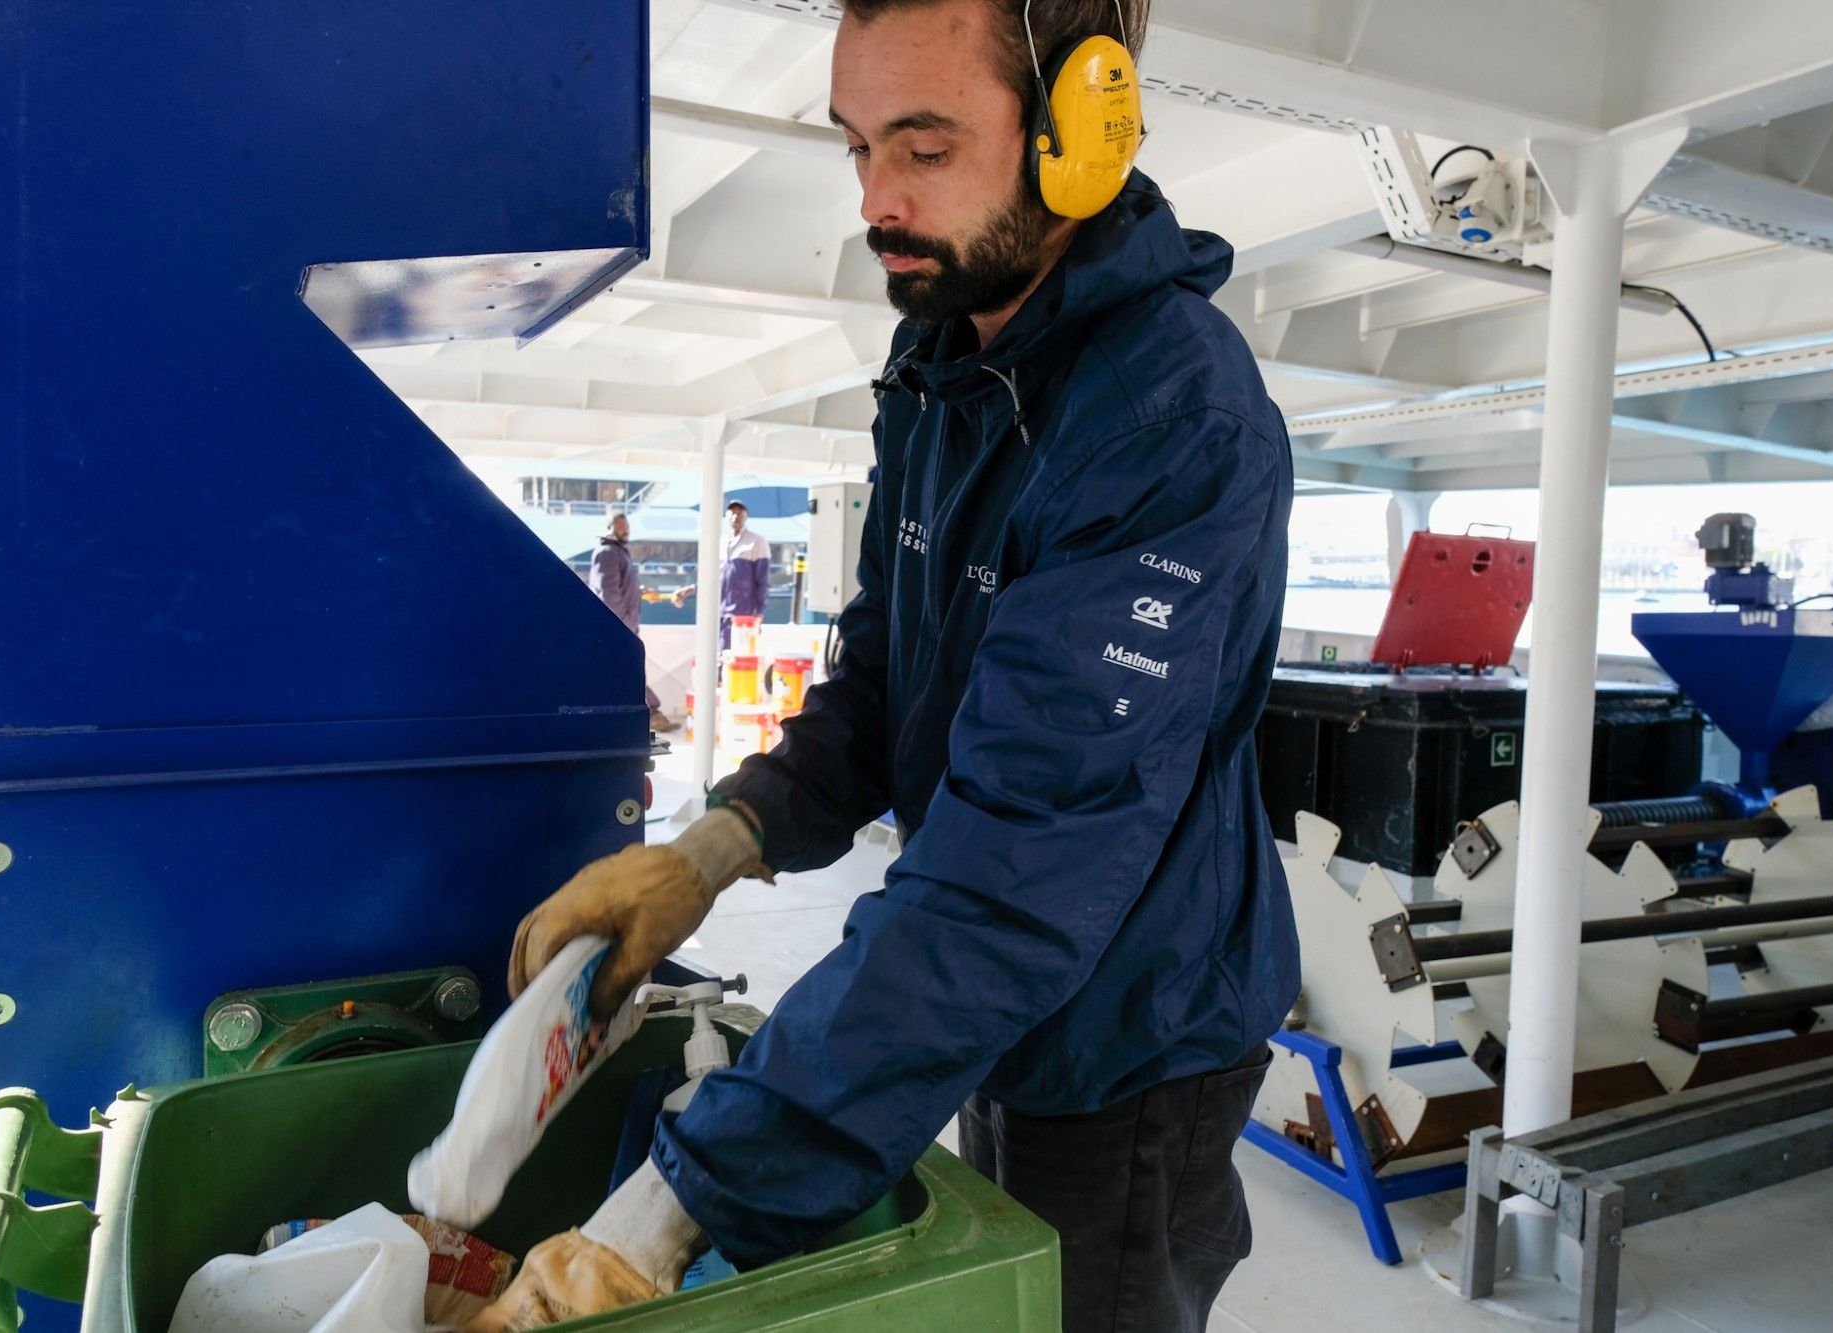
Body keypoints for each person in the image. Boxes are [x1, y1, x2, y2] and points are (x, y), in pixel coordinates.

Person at [470, 2, 1297, 1330]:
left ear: (1081, 132)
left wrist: (660, 1217)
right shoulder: (948, 356)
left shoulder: (1170, 418)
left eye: (923, 148)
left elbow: (1014, 871)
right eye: (857, 148)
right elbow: (883, 679)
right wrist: (716, 849)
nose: (875, 201)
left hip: (1135, 1035)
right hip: (1007, 996)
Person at [589, 511, 674, 733]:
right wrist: (625, 625)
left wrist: (639, 591)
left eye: (627, 526)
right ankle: (652, 713)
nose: (625, 530)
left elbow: (620, 587)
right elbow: (608, 595)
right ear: (609, 528)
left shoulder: (618, 552)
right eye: (620, 526)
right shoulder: (608, 552)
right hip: (619, 629)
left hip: (624, 627)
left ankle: (648, 715)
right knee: (630, 672)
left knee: (627, 672)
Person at [670, 500, 772, 648]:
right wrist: (689, 590)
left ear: (746, 517)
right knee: (716, 656)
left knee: (735, 657)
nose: (736, 516)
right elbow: (713, 579)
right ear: (726, 515)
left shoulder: (757, 542)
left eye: (740, 512)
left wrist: (759, 613)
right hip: (718, 612)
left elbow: (763, 581)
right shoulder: (721, 541)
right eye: (732, 512)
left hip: (742, 614)